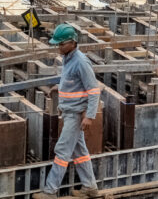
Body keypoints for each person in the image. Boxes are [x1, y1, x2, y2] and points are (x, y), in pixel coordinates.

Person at [34, 24, 100, 199]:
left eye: (61, 44)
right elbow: (72, 82)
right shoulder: (68, 58)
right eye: (58, 44)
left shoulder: (80, 62)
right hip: (70, 112)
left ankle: (50, 191)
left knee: (62, 150)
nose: (59, 47)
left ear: (73, 43)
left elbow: (94, 90)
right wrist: (59, 87)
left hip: (76, 115)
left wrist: (90, 116)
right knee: (80, 152)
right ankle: (90, 187)